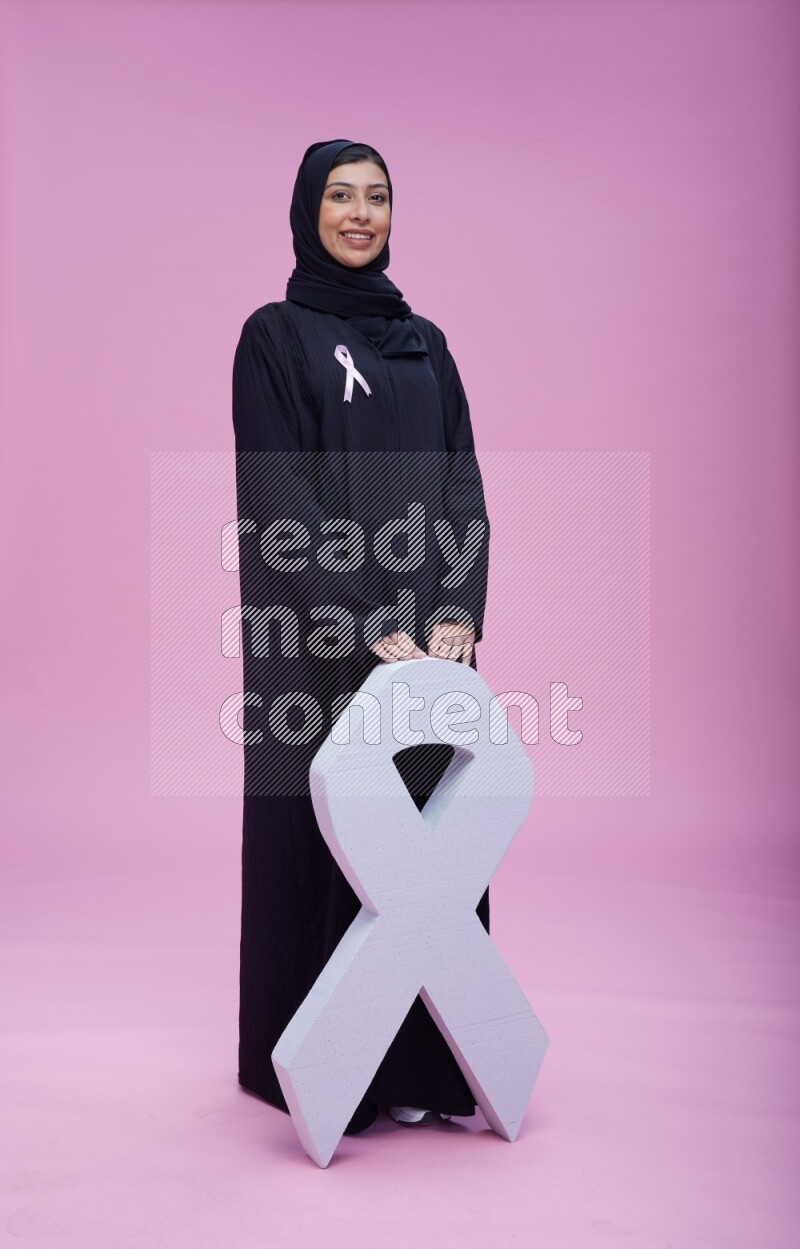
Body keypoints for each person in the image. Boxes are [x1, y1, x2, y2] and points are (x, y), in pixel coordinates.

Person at [232, 139, 491, 1133]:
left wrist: (456, 607)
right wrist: (365, 619)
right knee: (328, 840)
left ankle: (421, 1069)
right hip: (319, 638)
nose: (358, 213)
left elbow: (461, 477)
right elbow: (278, 495)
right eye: (339, 195)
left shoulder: (426, 341)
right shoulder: (273, 337)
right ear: (308, 210)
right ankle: (329, 1076)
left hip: (429, 643)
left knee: (429, 841)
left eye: (376, 197)